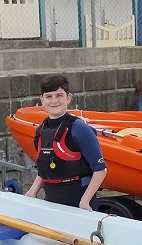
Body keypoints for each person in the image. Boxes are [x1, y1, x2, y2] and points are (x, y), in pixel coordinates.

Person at [25, 74, 107, 210]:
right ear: (42, 100)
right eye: (49, 96)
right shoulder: (41, 130)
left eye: (59, 95)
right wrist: (33, 191)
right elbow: (45, 169)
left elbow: (100, 170)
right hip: (52, 203)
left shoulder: (79, 128)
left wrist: (85, 202)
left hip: (79, 204)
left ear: (68, 97)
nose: (54, 101)